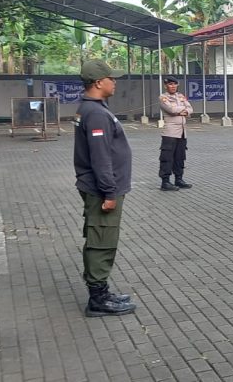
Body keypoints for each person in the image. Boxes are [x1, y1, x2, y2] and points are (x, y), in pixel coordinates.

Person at [74, 59, 137, 317]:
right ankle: (98, 298)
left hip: (99, 186)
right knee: (102, 240)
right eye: (112, 78)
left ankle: (101, 291)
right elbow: (101, 157)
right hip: (102, 189)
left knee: (100, 237)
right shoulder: (97, 113)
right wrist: (109, 192)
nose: (115, 82)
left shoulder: (93, 109)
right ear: (99, 83)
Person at [159, 76, 193, 191]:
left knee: (180, 157)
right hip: (170, 133)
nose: (173, 86)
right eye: (170, 84)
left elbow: (190, 109)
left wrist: (183, 110)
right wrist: (182, 110)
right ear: (166, 86)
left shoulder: (181, 96)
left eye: (175, 84)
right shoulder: (163, 97)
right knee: (167, 158)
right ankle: (165, 182)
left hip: (182, 132)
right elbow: (171, 110)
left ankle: (179, 179)